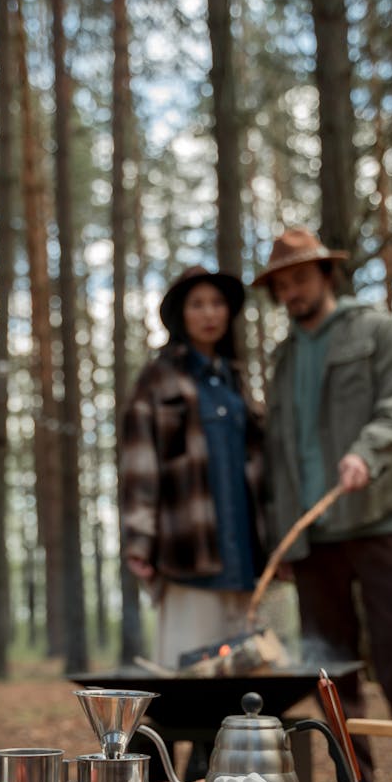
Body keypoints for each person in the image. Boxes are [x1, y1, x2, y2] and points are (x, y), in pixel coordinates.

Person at [252, 226, 392, 782]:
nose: (292, 292)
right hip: (312, 537)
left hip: (379, 518)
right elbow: (280, 457)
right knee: (329, 672)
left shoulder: (376, 331)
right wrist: (280, 540)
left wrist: (367, 452)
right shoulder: (282, 361)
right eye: (281, 284)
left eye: (301, 278)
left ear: (326, 275)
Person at [119, 265, 267, 672]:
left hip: (247, 562)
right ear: (180, 314)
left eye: (217, 303)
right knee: (187, 678)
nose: (209, 314)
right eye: (197, 304)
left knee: (245, 684)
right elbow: (139, 463)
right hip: (187, 553)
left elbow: (259, 469)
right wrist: (139, 539)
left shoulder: (236, 382)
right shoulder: (157, 378)